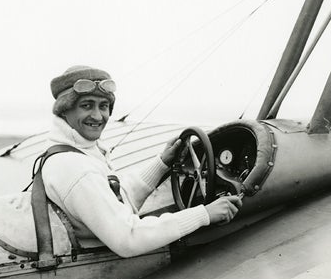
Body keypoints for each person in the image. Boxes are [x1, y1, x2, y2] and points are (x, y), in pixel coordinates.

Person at [37, 64, 242, 258]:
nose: (98, 116)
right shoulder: (76, 169)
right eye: (86, 106)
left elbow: (116, 200)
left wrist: (162, 163)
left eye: (104, 106)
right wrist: (204, 214)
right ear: (64, 109)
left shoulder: (76, 150)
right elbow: (129, 237)